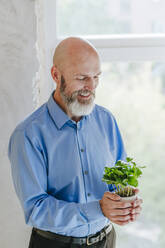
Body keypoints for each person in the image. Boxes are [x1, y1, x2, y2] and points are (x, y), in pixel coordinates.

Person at [8, 37, 143, 248]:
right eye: (82, 78)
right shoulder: (28, 134)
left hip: (107, 240)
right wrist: (98, 209)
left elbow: (120, 178)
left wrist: (125, 203)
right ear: (56, 75)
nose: (91, 86)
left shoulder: (106, 120)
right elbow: (36, 209)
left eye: (96, 77)